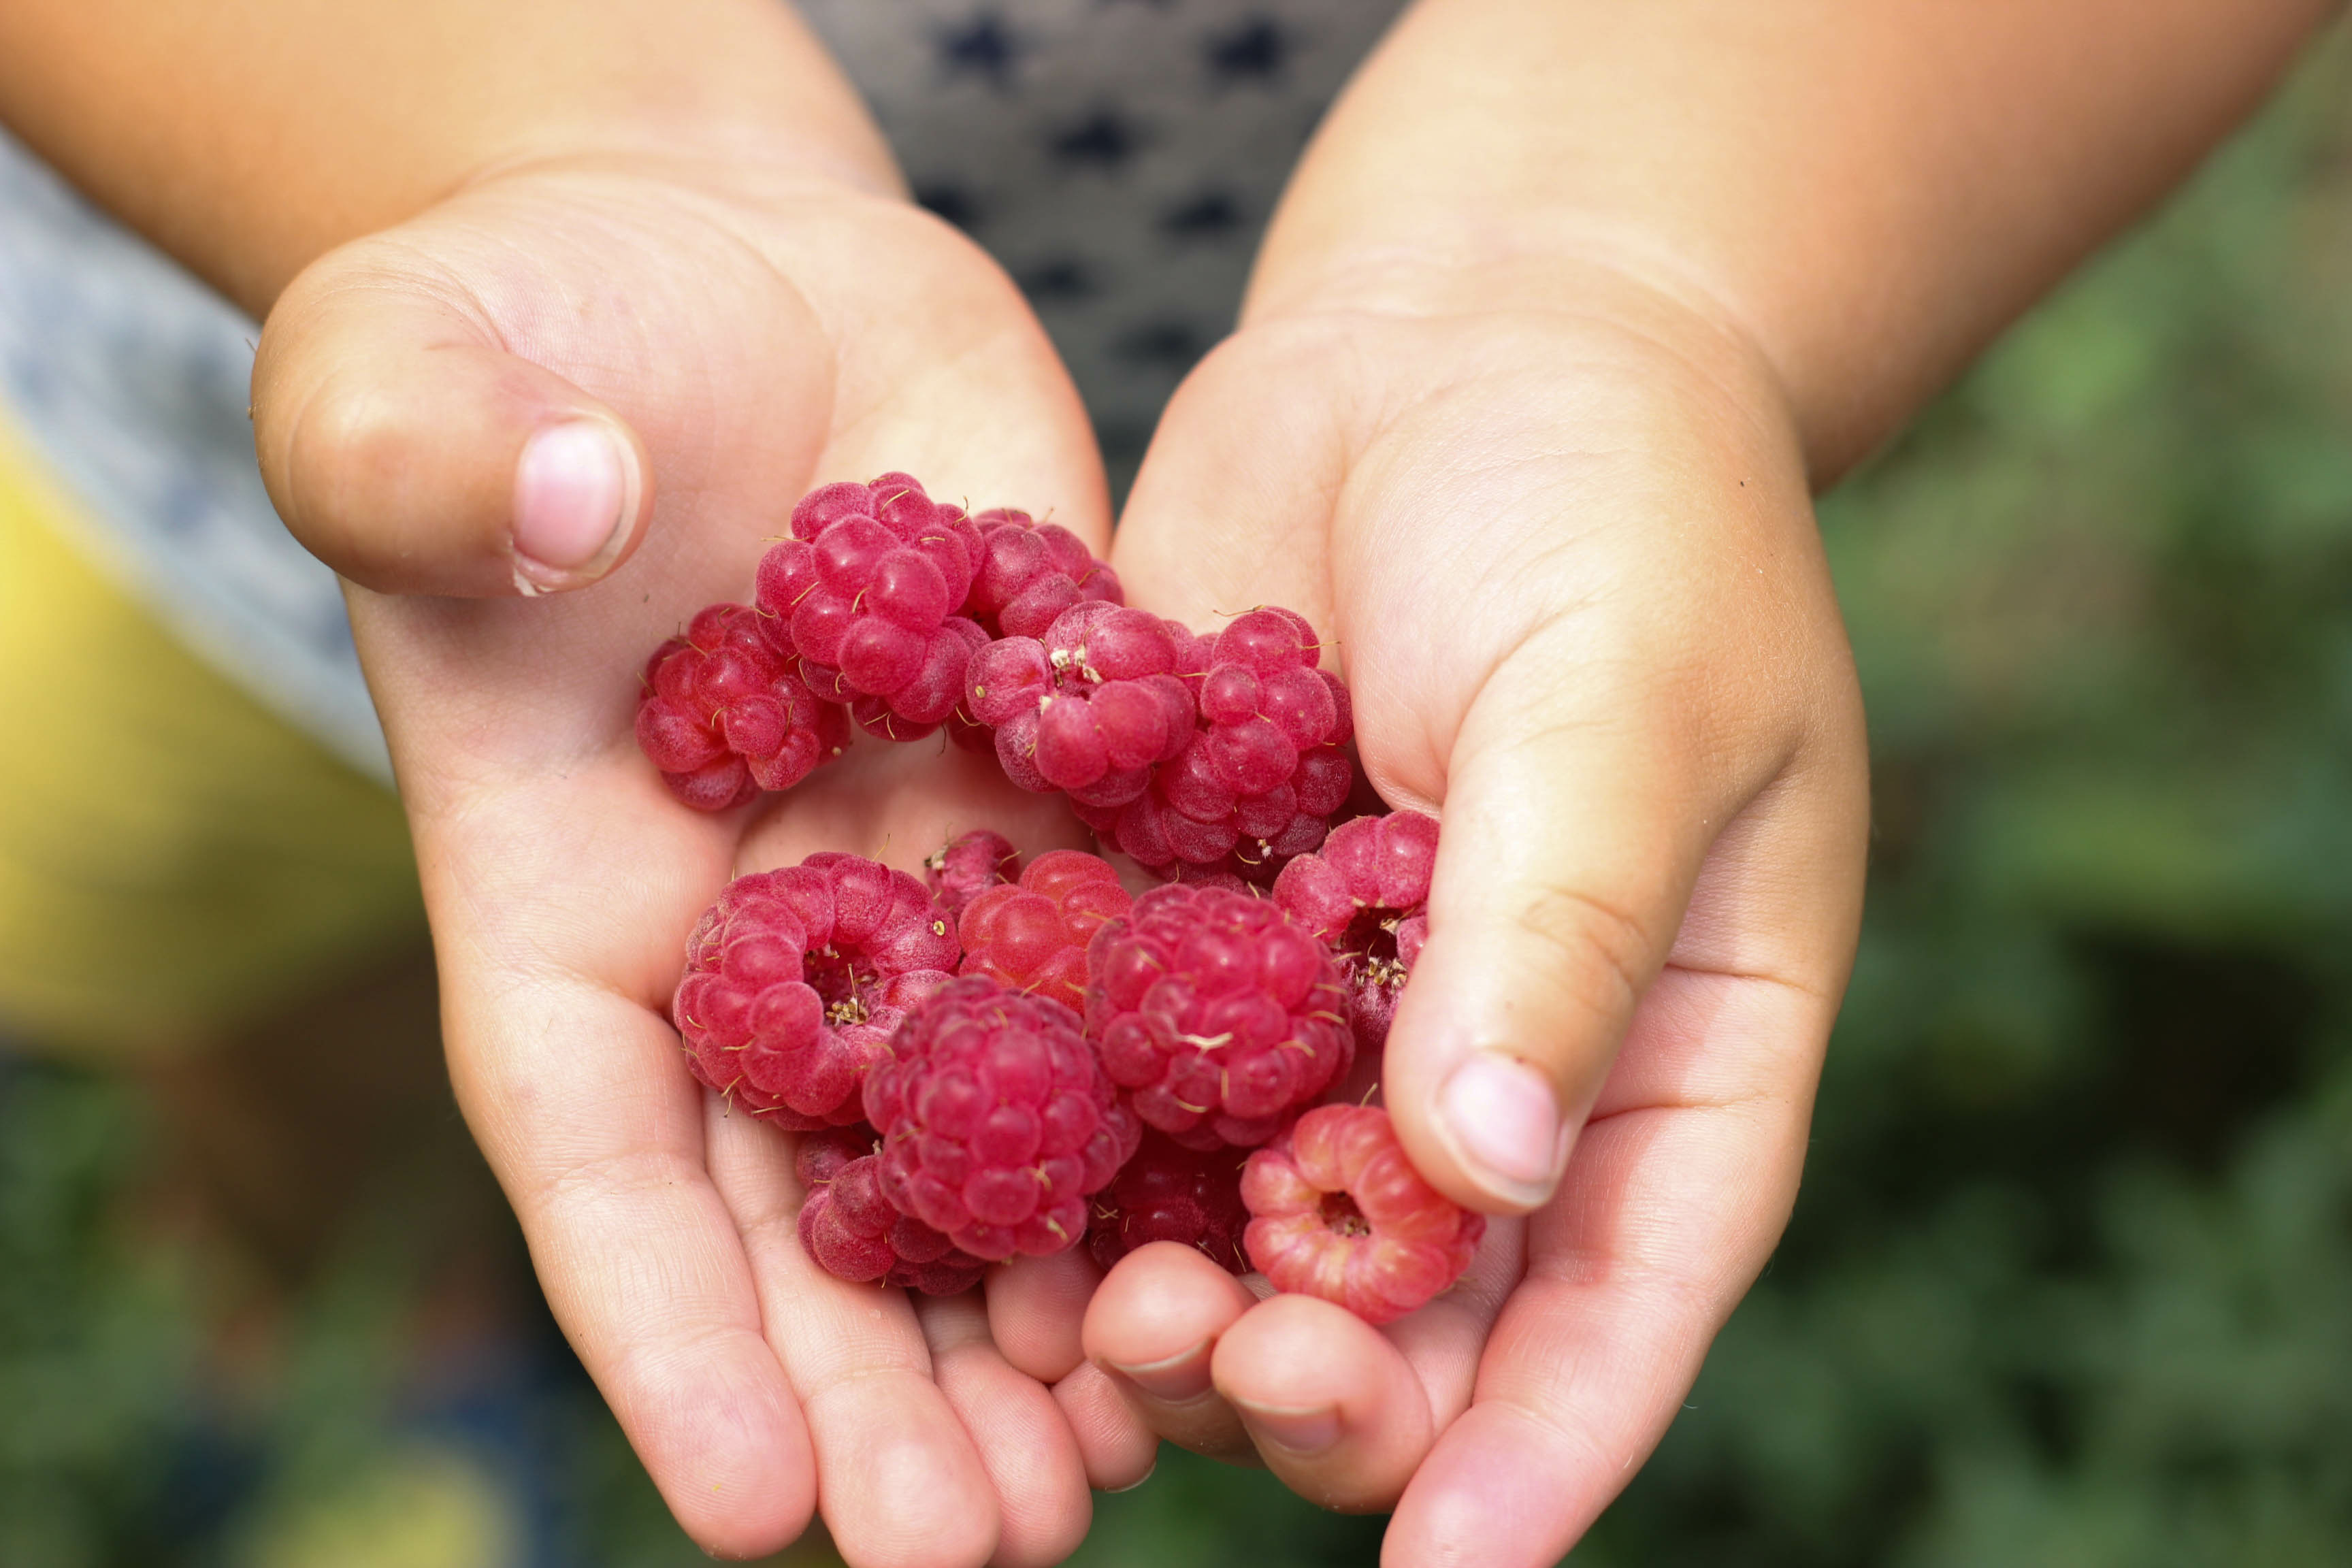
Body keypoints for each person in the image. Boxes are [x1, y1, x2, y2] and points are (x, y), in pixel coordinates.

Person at [0, 2, 2336, 1565]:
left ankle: (360, 1298)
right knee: (205, 931)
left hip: (1396, 340)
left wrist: (1623, 271)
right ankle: (300, 1251)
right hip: (342, 461)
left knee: (402, 1001)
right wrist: (551, 146)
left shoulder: (1120, 890)